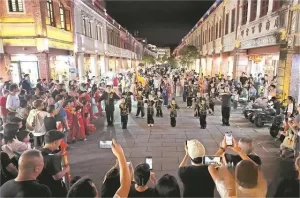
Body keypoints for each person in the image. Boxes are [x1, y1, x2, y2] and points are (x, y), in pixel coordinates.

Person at [37, 130, 69, 198]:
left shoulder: (37, 152)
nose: (60, 144)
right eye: (60, 141)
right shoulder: (53, 157)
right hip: (54, 187)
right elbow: (57, 177)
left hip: (42, 185)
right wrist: (66, 169)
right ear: (55, 142)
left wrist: (58, 155)